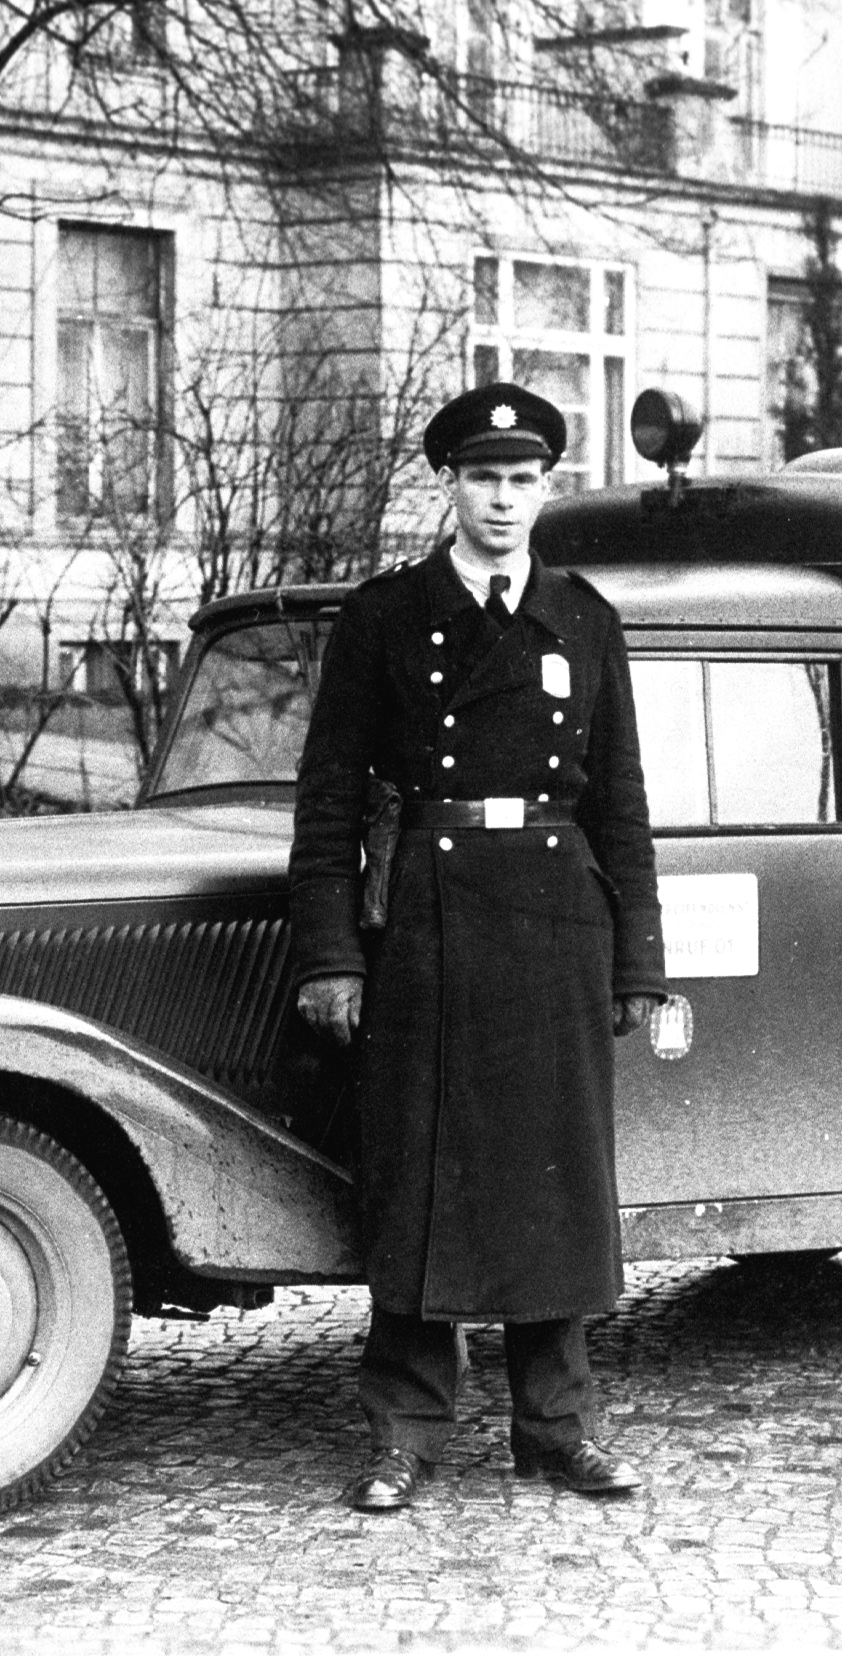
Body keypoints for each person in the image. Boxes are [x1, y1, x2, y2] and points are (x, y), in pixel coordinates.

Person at [287, 381, 668, 1511]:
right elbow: (328, 802)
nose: (502, 501)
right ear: (447, 486)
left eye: (522, 480)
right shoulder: (384, 616)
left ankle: (557, 1426)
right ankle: (403, 1428)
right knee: (419, 1176)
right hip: (428, 924)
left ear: (544, 488)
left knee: (557, 1181)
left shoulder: (584, 617)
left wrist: (638, 961)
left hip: (557, 927)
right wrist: (331, 956)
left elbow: (624, 804)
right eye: (482, 479)